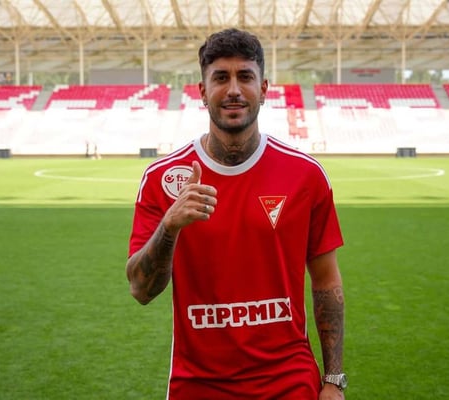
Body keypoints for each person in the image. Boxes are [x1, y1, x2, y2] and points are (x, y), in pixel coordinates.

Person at [126, 28, 346, 400]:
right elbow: (141, 290)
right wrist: (170, 226)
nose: (233, 90)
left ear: (264, 88)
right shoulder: (163, 179)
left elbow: (326, 282)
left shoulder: (306, 175)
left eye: (245, 77)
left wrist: (333, 379)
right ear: (202, 91)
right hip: (198, 384)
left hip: (288, 381)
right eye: (220, 78)